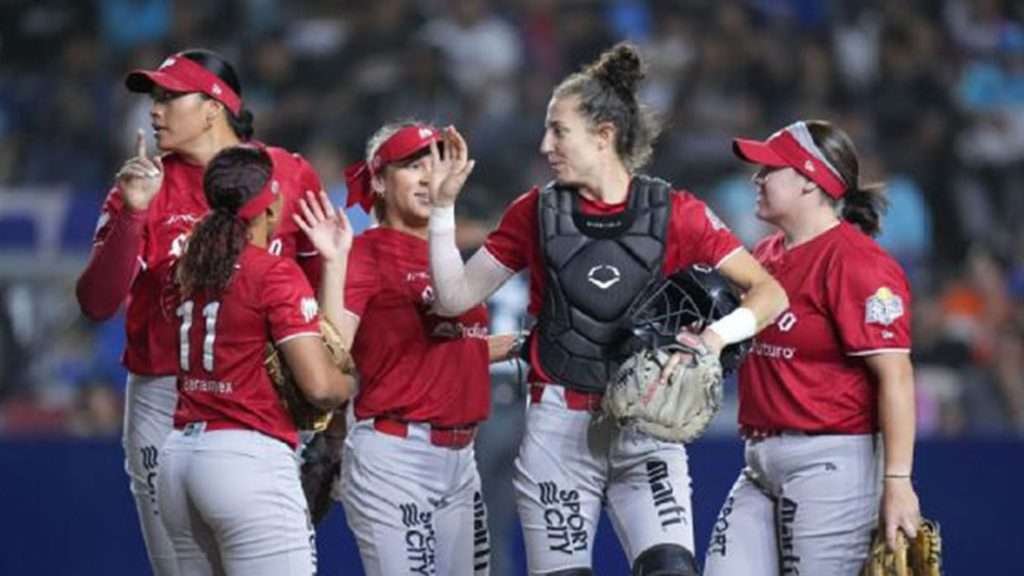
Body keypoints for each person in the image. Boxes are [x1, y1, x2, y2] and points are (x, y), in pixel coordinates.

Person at [426, 43, 789, 576]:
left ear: (604, 136)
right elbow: (454, 299)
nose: (545, 144)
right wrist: (441, 208)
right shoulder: (535, 211)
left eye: (559, 130)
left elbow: (769, 293)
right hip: (557, 429)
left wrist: (713, 339)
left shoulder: (674, 211)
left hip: (647, 429)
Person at [74, 49, 324, 575]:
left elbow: (322, 295)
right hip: (165, 399)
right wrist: (134, 212)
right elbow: (97, 303)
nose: (155, 109)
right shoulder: (145, 185)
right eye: (153, 98)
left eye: (169, 96)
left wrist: (331, 415)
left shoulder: (288, 173)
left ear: (214, 106)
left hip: (264, 397)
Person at [294, 121, 519, 576]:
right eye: (412, 166)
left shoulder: (447, 254)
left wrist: (523, 345)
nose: (426, 177)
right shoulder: (365, 253)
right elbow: (334, 352)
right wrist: (335, 267)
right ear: (378, 179)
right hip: (396, 455)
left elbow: (454, 347)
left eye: (434, 165)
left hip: (461, 459)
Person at [703, 120, 922, 575]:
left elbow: (896, 376)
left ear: (809, 179)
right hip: (760, 460)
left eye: (769, 169)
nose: (756, 179)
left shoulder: (857, 263)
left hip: (831, 461)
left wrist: (898, 481)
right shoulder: (763, 255)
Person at [157, 145, 356, 575]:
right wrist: (352, 385)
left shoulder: (189, 267)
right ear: (275, 202)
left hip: (180, 458)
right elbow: (321, 387)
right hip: (246, 457)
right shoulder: (273, 272)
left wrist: (333, 264)